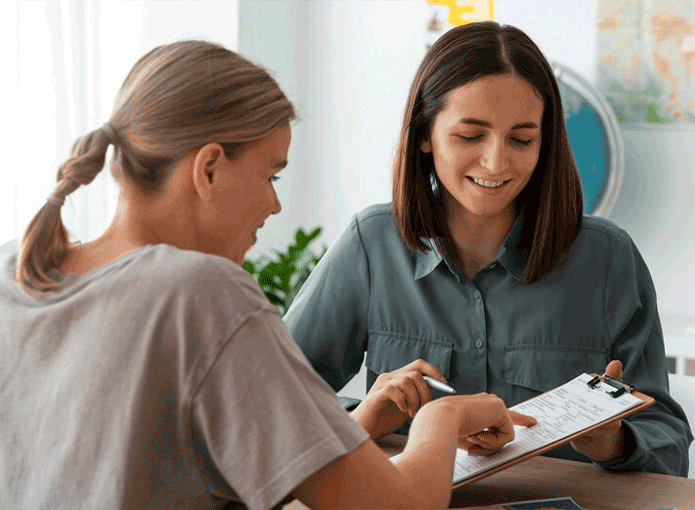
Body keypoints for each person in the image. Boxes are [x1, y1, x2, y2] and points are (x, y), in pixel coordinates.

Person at [0, 40, 538, 510]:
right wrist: (441, 419)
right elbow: (400, 506)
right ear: (208, 168)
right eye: (270, 174)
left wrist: (363, 422)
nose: (275, 204)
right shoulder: (201, 291)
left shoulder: (16, 269)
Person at [285, 21, 693, 476]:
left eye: (522, 139)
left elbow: (670, 445)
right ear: (424, 134)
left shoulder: (608, 259)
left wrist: (616, 442)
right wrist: (367, 417)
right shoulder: (371, 245)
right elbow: (276, 403)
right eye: (470, 135)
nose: (496, 161)